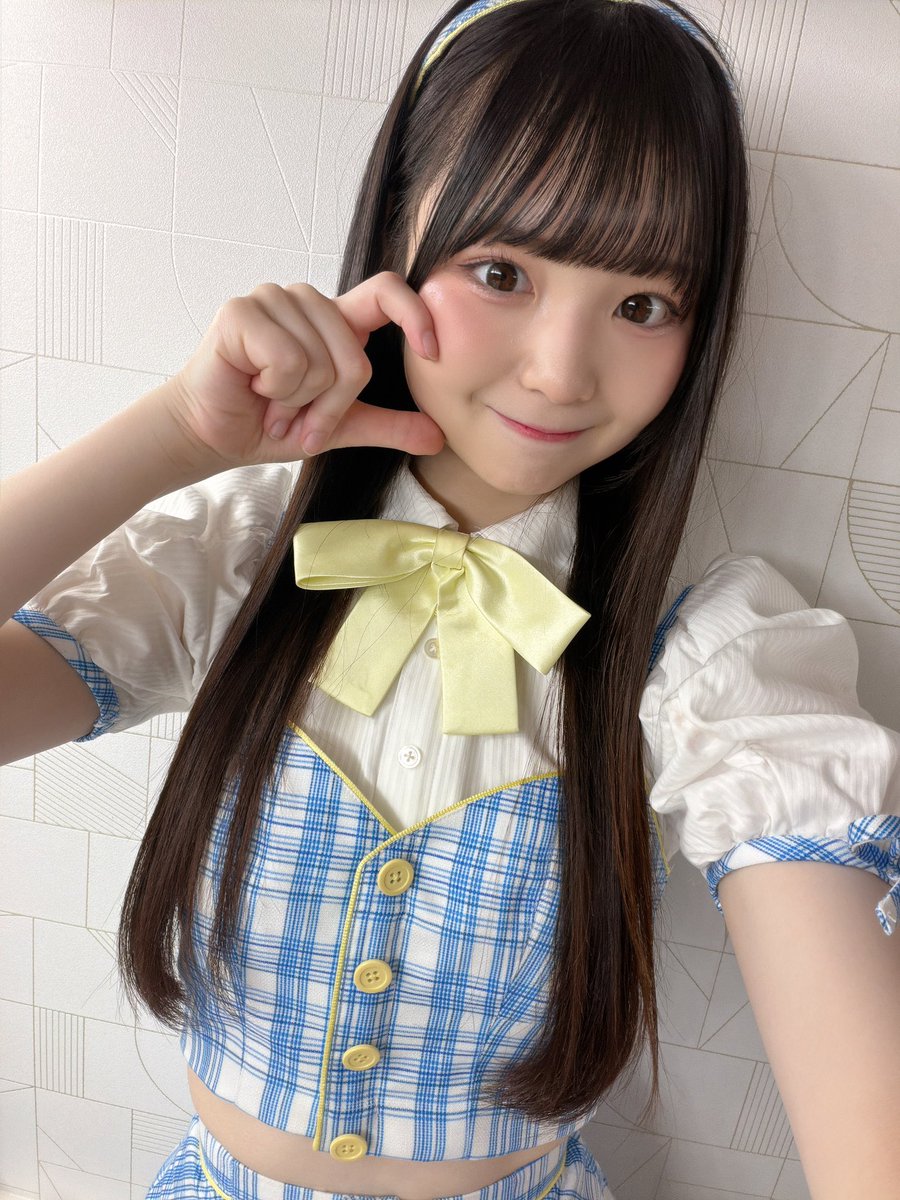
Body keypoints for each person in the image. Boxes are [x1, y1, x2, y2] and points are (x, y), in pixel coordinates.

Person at [1, 0, 898, 1197]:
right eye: (501, 272)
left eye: (643, 304)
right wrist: (177, 435)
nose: (559, 372)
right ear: (396, 248)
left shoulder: (712, 662)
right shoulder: (242, 561)